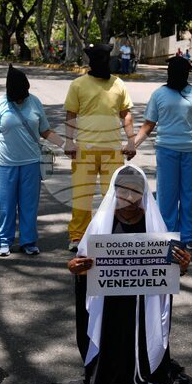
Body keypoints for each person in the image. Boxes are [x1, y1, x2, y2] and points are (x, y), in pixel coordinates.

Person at [59, 165, 192, 384]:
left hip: (142, 303)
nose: (129, 198)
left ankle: (145, 368)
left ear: (143, 193)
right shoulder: (101, 223)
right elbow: (82, 266)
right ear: (113, 191)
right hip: (110, 304)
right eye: (123, 191)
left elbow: (167, 274)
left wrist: (182, 266)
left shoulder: (153, 224)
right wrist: (75, 268)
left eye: (135, 191)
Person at [134, 57, 192, 250]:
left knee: (191, 194)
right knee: (167, 194)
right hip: (166, 150)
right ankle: (167, 234)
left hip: (191, 149)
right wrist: (133, 144)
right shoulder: (159, 94)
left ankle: (189, 235)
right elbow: (149, 125)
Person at [0, 65, 62, 257]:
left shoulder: (34, 102)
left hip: (31, 163)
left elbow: (45, 131)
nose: (19, 99)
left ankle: (29, 241)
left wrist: (66, 144)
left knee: (29, 205)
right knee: (5, 205)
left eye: (22, 95)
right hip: (5, 164)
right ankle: (3, 241)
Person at [64, 43, 137, 251]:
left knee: (114, 195)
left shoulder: (118, 84)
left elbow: (126, 114)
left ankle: (111, 234)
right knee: (82, 195)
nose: (101, 62)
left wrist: (131, 140)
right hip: (84, 150)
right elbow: (71, 115)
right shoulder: (78, 85)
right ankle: (78, 236)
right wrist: (69, 141)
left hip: (113, 149)